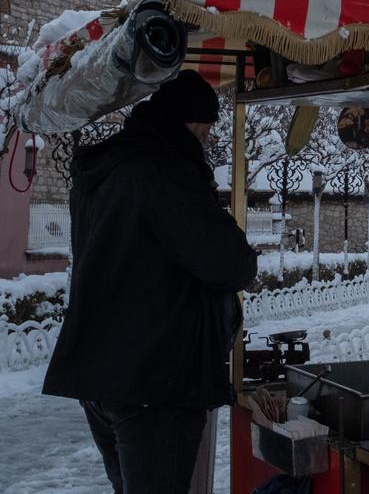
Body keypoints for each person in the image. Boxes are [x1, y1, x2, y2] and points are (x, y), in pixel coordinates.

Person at [42, 70, 259, 493]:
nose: (207, 139)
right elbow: (229, 263)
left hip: (104, 373)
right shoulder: (165, 171)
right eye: (206, 129)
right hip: (155, 377)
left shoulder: (110, 164)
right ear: (192, 123)